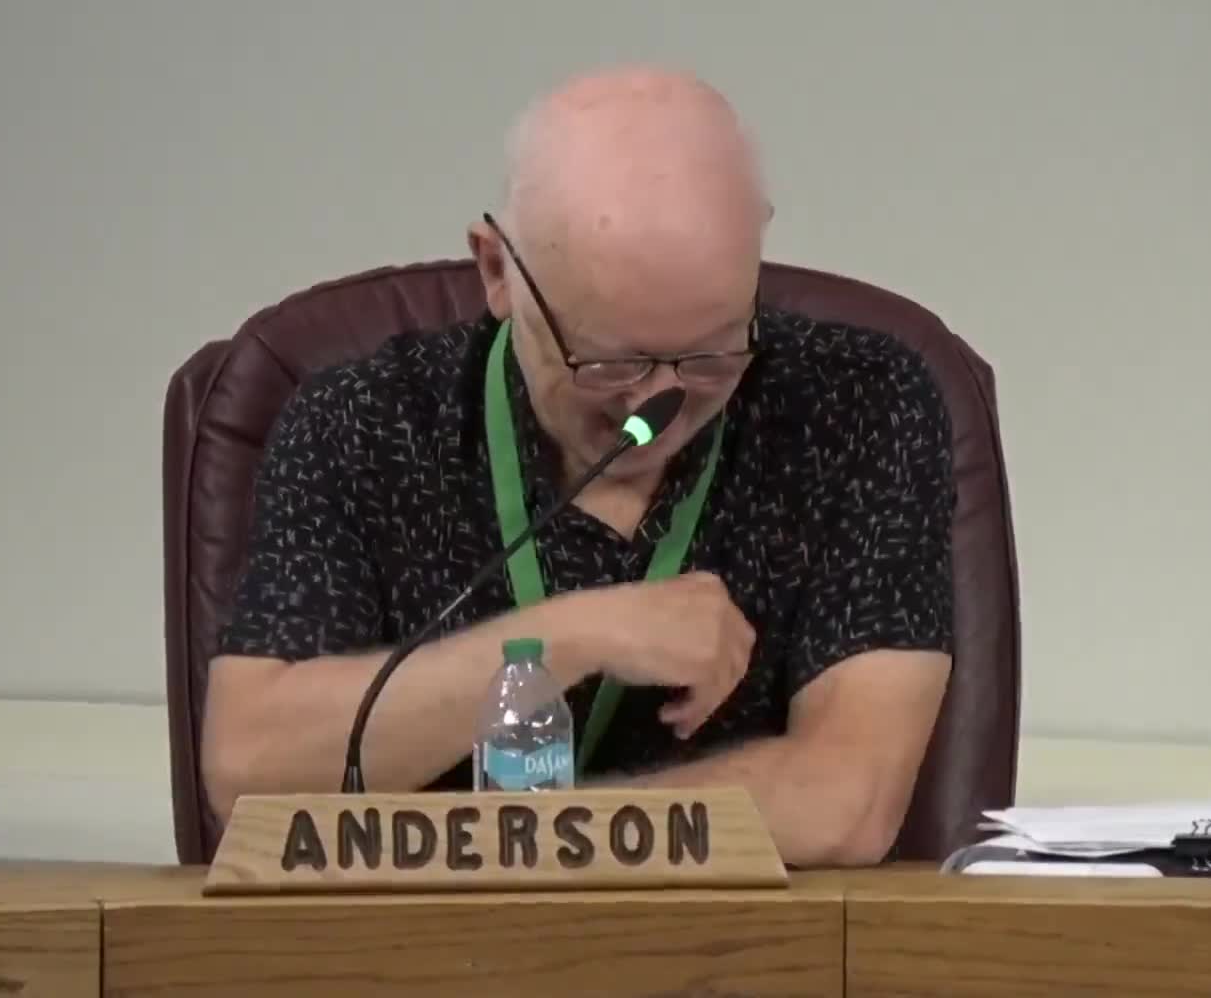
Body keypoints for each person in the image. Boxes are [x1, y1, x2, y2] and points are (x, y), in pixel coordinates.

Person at [201, 66, 955, 867]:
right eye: (609, 365)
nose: (659, 403)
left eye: (708, 358)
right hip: (420, 936)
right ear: (497, 270)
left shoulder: (861, 403)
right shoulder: (361, 421)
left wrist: (536, 836)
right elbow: (250, 775)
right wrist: (572, 637)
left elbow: (845, 802)